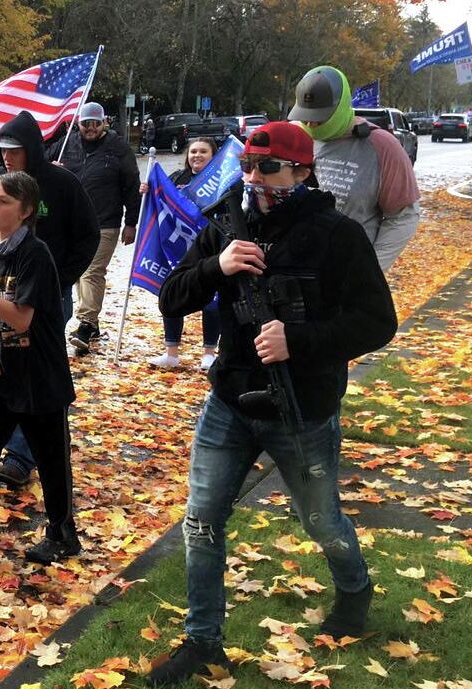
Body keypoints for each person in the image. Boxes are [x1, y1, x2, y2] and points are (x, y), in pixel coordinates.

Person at [148, 122, 397, 685]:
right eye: (248, 167)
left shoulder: (336, 235)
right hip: (231, 402)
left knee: (322, 522)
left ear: (302, 172)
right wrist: (217, 267)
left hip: (302, 409)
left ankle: (355, 590)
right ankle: (202, 641)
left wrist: (299, 342)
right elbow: (171, 296)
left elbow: (378, 321)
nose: (254, 178)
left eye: (269, 169)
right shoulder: (225, 225)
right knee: (202, 519)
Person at [0, 171, 80, 569]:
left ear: (24, 211)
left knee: (51, 459)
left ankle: (62, 534)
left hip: (40, 374)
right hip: (2, 368)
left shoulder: (35, 254)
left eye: (3, 201)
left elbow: (22, 319)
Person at [0, 110, 98, 489]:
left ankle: (23, 456)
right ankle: (8, 439)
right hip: (3, 294)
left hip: (49, 295)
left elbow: (87, 235)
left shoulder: (61, 183)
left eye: (15, 150)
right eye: (1, 150)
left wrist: (61, 278)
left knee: (38, 370)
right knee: (8, 363)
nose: (7, 157)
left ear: (32, 150)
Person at [287, 65, 419, 271]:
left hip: (349, 276)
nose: (311, 125)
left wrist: (368, 269)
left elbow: (403, 217)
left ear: (340, 106)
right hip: (296, 275)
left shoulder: (382, 146)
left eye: (320, 118)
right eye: (305, 117)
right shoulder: (293, 138)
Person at [48, 101, 141, 354]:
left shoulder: (118, 148)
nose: (90, 128)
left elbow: (132, 185)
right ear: (78, 123)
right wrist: (50, 169)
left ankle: (86, 325)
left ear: (104, 123)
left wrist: (131, 222)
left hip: (105, 222)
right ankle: (94, 323)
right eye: (85, 123)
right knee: (77, 272)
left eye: (95, 123)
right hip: (72, 222)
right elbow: (41, 164)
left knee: (91, 271)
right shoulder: (67, 143)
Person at [140, 137, 222, 370]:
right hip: (178, 248)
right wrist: (148, 191)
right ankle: (171, 352)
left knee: (213, 299)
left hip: (210, 245)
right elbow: (161, 200)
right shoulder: (177, 178)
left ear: (213, 155)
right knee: (174, 293)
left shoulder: (223, 181)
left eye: (203, 151)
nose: (196, 155)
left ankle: (209, 352)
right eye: (193, 151)